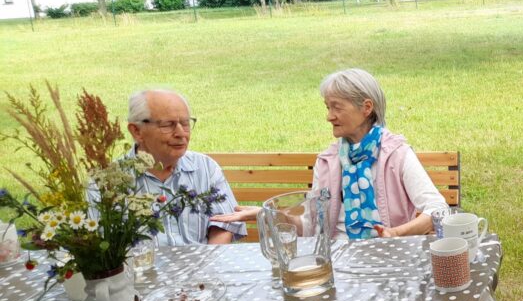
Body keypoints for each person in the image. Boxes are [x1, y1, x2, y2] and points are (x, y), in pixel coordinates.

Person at [214, 69, 447, 239]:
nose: (329, 116)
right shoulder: (328, 161)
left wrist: (395, 234)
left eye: (337, 107)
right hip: (338, 261)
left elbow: (438, 209)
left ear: (366, 108)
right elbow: (311, 227)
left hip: (390, 258)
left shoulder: (395, 154)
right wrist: (269, 215)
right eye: (327, 107)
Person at [125, 89, 245, 245]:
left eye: (185, 123)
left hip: (203, 260)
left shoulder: (205, 167)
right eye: (168, 125)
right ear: (137, 131)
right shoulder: (110, 181)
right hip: (142, 261)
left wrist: (210, 259)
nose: (181, 133)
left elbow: (224, 225)